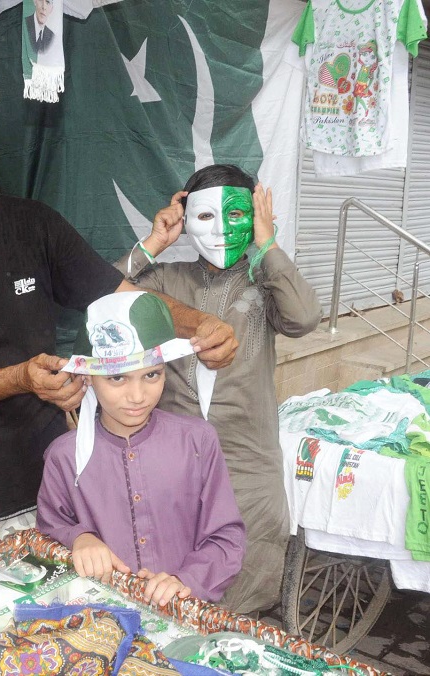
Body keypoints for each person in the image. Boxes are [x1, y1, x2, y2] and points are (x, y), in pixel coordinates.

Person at [0, 72, 237, 536]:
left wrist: (200, 325)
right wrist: (19, 378)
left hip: (52, 488)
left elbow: (122, 296)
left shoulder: (33, 226)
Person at [115, 164, 321, 613]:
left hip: (247, 462)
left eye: (237, 215)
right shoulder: (167, 278)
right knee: (170, 588)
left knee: (243, 587)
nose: (223, 230)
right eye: (206, 217)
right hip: (170, 462)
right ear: (186, 219)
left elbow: (304, 317)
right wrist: (154, 243)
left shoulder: (265, 282)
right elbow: (105, 299)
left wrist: (267, 245)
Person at [37, 291, 246, 606]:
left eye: (151, 374)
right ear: (89, 378)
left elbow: (226, 538)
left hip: (186, 612)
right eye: (117, 378)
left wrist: (185, 580)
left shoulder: (197, 441)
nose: (137, 396)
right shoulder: (63, 457)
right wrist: (79, 538)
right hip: (100, 618)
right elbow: (51, 526)